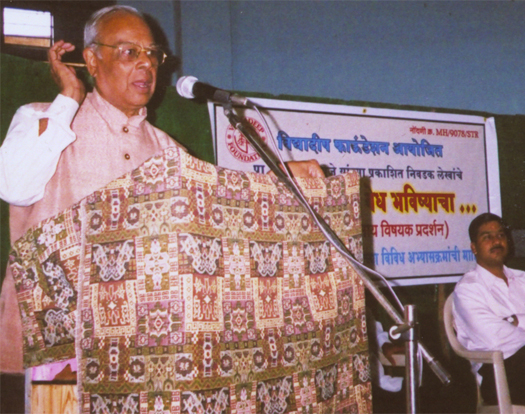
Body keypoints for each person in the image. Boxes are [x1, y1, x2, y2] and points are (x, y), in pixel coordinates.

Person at [0, 5, 322, 380]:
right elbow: (13, 185)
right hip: (52, 353)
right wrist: (71, 97)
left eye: (152, 54)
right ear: (91, 60)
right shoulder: (42, 118)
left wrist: (282, 177)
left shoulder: (168, 151)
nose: (146, 64)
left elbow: (218, 210)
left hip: (136, 356)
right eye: (129, 52)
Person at [452, 213, 525, 407]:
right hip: (500, 371)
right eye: (487, 237)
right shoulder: (468, 289)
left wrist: (518, 321)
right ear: (474, 247)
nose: (496, 241)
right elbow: (497, 339)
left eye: (501, 235)